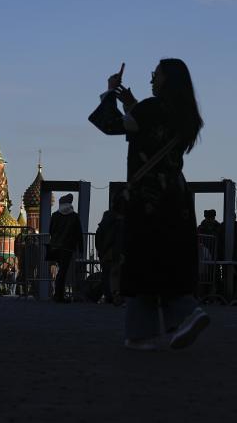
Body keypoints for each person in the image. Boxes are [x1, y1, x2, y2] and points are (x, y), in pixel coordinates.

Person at [89, 59, 209, 350]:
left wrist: (109, 94)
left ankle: (150, 328)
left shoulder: (151, 108)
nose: (152, 79)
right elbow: (151, 130)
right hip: (176, 197)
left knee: (141, 258)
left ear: (166, 79)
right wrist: (132, 103)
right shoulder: (186, 116)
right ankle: (179, 316)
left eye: (156, 74)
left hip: (147, 199)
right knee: (167, 258)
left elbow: (111, 125)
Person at [48, 193, 83, 303]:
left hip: (55, 247)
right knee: (63, 271)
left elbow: (51, 230)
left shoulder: (55, 215)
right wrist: (81, 248)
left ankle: (58, 294)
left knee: (61, 270)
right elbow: (79, 233)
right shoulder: (74, 216)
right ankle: (59, 295)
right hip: (68, 248)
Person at [96, 208, 121, 305]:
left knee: (105, 275)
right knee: (114, 275)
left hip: (104, 255)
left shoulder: (100, 228)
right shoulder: (116, 227)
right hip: (113, 254)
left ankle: (108, 295)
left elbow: (97, 242)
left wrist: (101, 252)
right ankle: (115, 295)